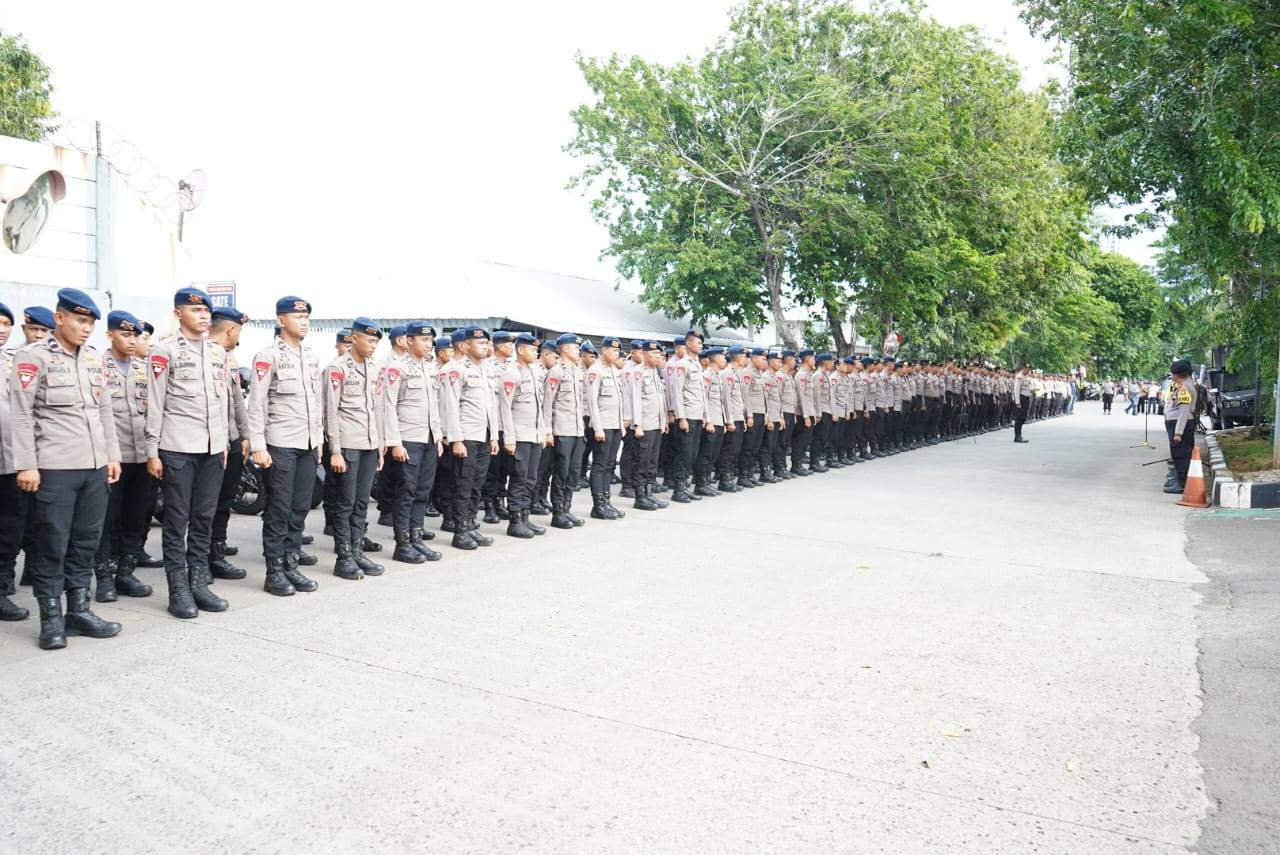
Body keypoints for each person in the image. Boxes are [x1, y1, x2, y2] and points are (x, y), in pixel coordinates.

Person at [9, 288, 123, 650]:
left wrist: (112, 455)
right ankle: (51, 620)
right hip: (55, 467)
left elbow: (104, 410)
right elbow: (21, 414)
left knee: (86, 541)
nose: (86, 328)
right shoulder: (33, 356)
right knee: (52, 543)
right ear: (59, 318)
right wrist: (26, 465)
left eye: (91, 323)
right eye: (80, 320)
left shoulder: (92, 357)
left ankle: (79, 611)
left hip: (94, 467)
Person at [145, 287, 233, 619]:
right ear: (178, 314)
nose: (203, 316)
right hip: (177, 447)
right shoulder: (164, 351)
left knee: (204, 517)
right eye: (195, 311)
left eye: (206, 311)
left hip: (212, 449)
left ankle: (198, 582)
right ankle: (178, 588)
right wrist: (152, 451)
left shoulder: (217, 352)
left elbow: (223, 401)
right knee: (177, 519)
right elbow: (155, 403)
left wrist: (223, 444)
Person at [246, 296, 323, 597]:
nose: (304, 322)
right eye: (297, 317)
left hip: (307, 444)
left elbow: (315, 402)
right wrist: (258, 446)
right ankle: (274, 571)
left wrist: (318, 440)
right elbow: (257, 404)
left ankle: (292, 565)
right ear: (281, 320)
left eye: (306, 317)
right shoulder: (268, 356)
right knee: (278, 508)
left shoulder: (311, 356)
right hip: (280, 443)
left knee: (300, 507)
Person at [92, 310, 154, 603]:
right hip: (111, 458)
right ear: (109, 335)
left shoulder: (144, 369)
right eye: (125, 334)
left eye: (135, 336)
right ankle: (104, 577)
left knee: (135, 517)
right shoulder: (96, 366)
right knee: (107, 520)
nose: (131, 341)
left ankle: (126, 573)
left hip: (142, 455)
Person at [324, 317, 386, 580]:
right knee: (345, 503)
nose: (373, 346)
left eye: (376, 342)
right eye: (369, 340)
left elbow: (378, 410)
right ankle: (344, 557)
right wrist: (335, 451)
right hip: (347, 445)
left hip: (369, 445)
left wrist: (380, 447)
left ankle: (358, 551)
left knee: (361, 502)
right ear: (354, 338)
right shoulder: (337, 369)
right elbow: (330, 412)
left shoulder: (375, 369)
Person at [383, 320, 444, 561]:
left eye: (431, 340)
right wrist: (395, 442)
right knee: (406, 491)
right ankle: (403, 544)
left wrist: (437, 437)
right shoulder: (397, 368)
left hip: (428, 438)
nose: (429, 344)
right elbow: (388, 406)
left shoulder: (430, 368)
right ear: (409, 341)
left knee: (422, 490)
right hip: (408, 439)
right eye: (424, 340)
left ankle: (416, 538)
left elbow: (434, 406)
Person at [438, 326, 499, 549]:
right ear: (465, 346)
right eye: (480, 343)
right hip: (466, 436)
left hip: (483, 435)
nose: (485, 347)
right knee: (463, 484)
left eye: (487, 343)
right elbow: (451, 406)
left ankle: (471, 524)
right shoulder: (456, 370)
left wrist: (494, 436)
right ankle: (460, 531)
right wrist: (456, 440)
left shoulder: (485, 369)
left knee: (476, 484)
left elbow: (491, 406)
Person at [207, 306, 251, 583]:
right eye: (239, 331)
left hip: (232, 440)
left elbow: (237, 401)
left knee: (224, 501)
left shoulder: (228, 359)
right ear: (231, 329)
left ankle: (216, 550)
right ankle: (202, 557)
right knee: (206, 505)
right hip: (211, 443)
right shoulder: (203, 355)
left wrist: (245, 436)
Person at [496, 332, 550, 537]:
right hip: (519, 435)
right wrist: (509, 439)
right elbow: (505, 408)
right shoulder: (511, 374)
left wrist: (542, 432)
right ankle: (515, 520)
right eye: (532, 349)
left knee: (530, 478)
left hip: (534, 434)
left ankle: (525, 517)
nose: (536, 352)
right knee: (519, 478)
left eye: (537, 349)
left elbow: (539, 406)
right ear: (520, 350)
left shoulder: (535, 373)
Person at [0, 301, 31, 621]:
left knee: (10, 526)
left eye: (6, 324)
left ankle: (2, 587)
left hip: (11, 460)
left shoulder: (15, 361)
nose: (2, 330)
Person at [542, 333, 588, 528]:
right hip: (562, 429)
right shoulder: (556, 372)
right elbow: (547, 403)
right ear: (566, 349)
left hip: (577, 430)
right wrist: (547, 431)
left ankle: (567, 509)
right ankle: (558, 512)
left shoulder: (577, 371)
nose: (578, 350)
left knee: (573, 472)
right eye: (576, 347)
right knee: (561, 472)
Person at [586, 335, 628, 519]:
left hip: (614, 425)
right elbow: (592, 402)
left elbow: (618, 400)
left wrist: (621, 424)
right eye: (613, 350)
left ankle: (606, 502)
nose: (616, 354)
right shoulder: (595, 371)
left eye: (618, 351)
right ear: (603, 350)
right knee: (600, 465)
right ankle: (598, 505)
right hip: (602, 425)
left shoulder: (613, 370)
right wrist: (598, 428)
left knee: (609, 465)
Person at [1163, 359, 1199, 495]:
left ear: (1177, 374)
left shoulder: (1185, 389)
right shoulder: (1182, 385)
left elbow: (1184, 412)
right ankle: (1180, 478)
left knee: (1180, 454)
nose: (1171, 375)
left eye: (1172, 373)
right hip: (1177, 422)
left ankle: (1182, 483)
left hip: (1180, 424)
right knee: (1178, 453)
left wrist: (1178, 432)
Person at [1012, 363, 1033, 443]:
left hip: (1026, 398)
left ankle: (1019, 435)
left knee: (1023, 417)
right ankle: (1017, 436)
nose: (1028, 371)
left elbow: (1027, 388)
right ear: (1023, 368)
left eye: (1029, 369)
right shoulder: (1019, 377)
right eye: (1027, 369)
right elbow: (1016, 390)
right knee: (1019, 418)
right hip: (1021, 398)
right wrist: (1017, 402)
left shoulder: (1026, 377)